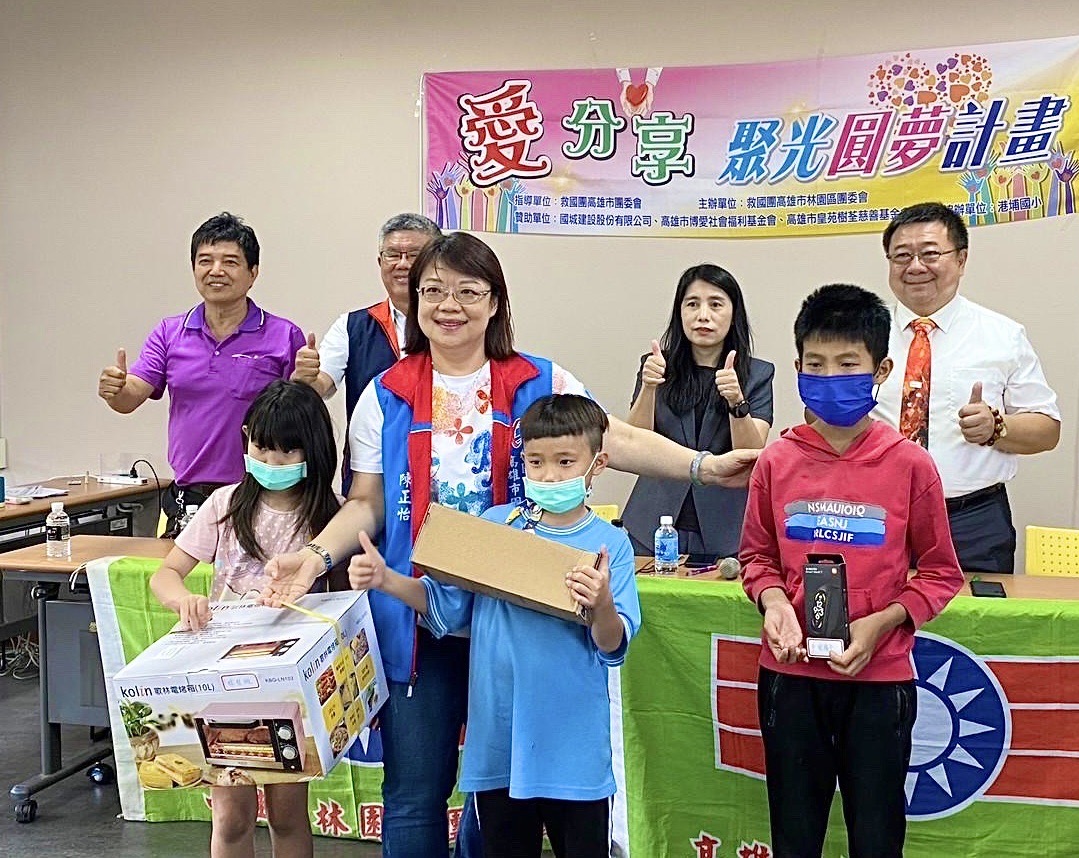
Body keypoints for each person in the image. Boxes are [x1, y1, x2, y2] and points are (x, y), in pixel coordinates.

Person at [258, 231, 758, 858]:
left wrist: (702, 467)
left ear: (495, 301)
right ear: (414, 300)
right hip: (422, 613)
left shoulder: (539, 378)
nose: (449, 305)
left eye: (468, 291)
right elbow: (366, 501)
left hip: (520, 615)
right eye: (433, 291)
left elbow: (614, 438)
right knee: (414, 792)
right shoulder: (384, 394)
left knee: (499, 787)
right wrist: (314, 557)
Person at [349, 393, 640, 858]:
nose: (549, 475)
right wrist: (387, 579)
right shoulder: (498, 525)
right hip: (499, 746)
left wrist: (601, 603)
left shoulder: (611, 545)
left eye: (566, 462)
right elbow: (444, 606)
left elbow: (612, 644)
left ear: (597, 464)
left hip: (574, 753)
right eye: (536, 462)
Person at [740, 284, 962, 858]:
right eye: (815, 364)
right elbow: (757, 559)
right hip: (790, 678)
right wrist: (775, 605)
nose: (829, 377)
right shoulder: (776, 461)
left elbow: (940, 574)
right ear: (797, 369)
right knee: (795, 835)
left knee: (877, 836)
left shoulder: (911, 465)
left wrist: (883, 622)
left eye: (847, 364)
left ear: (880, 370)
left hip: (879, 680)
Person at [149, 380, 342, 858]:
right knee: (231, 817)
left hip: (288, 684)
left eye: (287, 452)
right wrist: (183, 600)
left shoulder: (330, 515)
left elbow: (344, 600)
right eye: (261, 448)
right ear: (246, 440)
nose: (272, 462)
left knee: (287, 814)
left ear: (313, 450)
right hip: (224, 683)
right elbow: (166, 574)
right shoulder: (225, 504)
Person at [873, 202, 1060, 573]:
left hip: (971, 521)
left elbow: (1047, 429)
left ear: (961, 259)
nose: (915, 267)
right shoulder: (862, 333)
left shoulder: (1002, 335)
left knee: (976, 612)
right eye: (902, 256)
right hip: (876, 515)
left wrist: (997, 427)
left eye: (930, 254)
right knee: (870, 608)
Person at [97, 212, 305, 536]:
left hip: (259, 495)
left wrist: (308, 380)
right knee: (176, 570)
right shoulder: (169, 332)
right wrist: (116, 390)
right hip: (188, 498)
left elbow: (302, 412)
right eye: (205, 260)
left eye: (230, 262)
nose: (216, 271)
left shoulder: (284, 335)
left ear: (253, 272)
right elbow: (129, 397)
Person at [622, 263, 773, 559]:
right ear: (680, 312)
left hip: (726, 528)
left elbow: (750, 455)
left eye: (715, 304)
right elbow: (635, 442)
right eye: (692, 304)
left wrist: (736, 402)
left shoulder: (757, 374)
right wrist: (649, 387)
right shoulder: (656, 365)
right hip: (653, 520)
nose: (703, 315)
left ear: (734, 313)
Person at [291, 214, 442, 491]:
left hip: (442, 472)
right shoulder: (352, 326)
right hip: (370, 476)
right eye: (393, 255)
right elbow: (321, 385)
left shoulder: (457, 323)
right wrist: (305, 379)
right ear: (380, 262)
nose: (403, 264)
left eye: (414, 255)